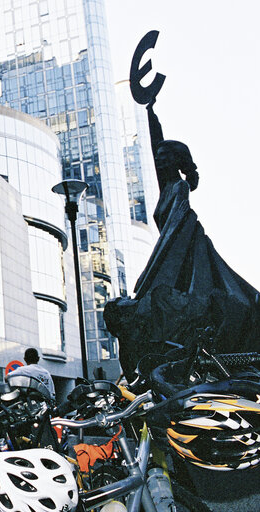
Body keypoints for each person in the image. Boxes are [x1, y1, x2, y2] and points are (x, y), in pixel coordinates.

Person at [104, 101, 260, 379]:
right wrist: (150, 113)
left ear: (177, 160)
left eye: (166, 156)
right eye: (160, 156)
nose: (160, 159)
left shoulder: (178, 188)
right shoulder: (166, 188)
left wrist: (150, 281)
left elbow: (173, 238)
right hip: (176, 255)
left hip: (187, 254)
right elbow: (155, 148)